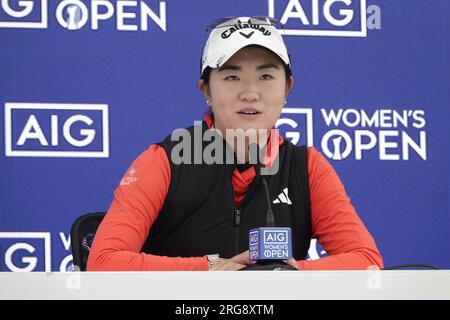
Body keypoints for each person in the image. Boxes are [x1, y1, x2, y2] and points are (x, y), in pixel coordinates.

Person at [87, 16, 383, 271]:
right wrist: (214, 267)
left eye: (266, 75)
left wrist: (288, 273)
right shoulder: (164, 161)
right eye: (231, 76)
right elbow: (104, 262)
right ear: (206, 90)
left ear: (287, 87)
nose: (251, 93)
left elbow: (365, 260)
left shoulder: (307, 166)